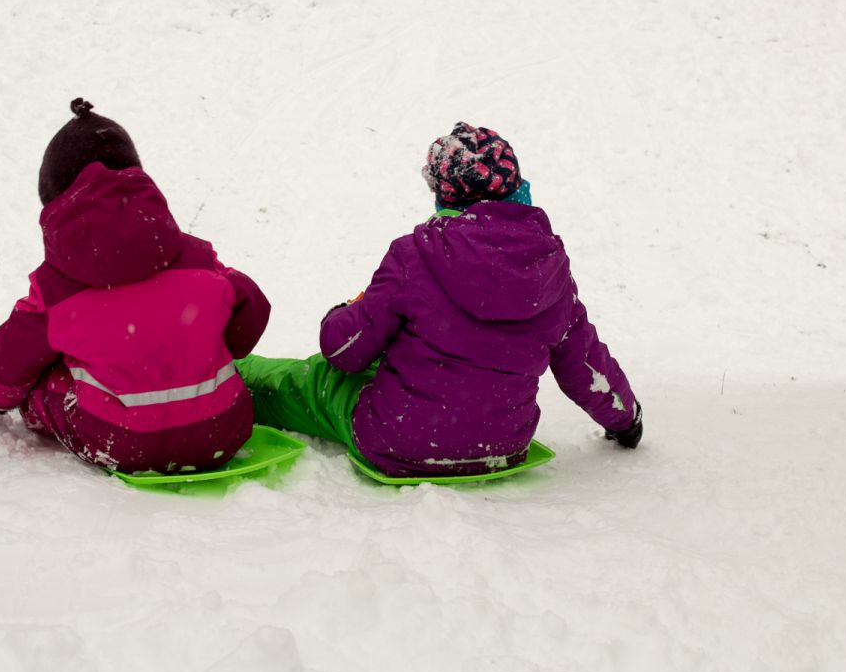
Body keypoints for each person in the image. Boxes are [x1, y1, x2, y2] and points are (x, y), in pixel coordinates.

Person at [238, 122, 641, 478]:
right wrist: (626, 419)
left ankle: (234, 383)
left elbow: (343, 351)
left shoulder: (416, 254)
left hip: (400, 440)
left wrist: (341, 314)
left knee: (320, 382)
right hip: (503, 446)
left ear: (445, 195)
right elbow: (583, 362)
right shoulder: (549, 266)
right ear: (517, 187)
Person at [0, 98, 271, 473]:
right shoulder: (199, 261)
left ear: (54, 200)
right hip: (222, 430)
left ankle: (51, 406)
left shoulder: (56, 289)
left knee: (43, 387)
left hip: (124, 442)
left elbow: (12, 358)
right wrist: (199, 338)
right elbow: (252, 308)